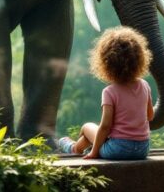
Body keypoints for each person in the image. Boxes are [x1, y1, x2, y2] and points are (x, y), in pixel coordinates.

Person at [59, 26, 154, 160]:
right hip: (142, 149)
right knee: (96, 133)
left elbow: (105, 126)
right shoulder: (145, 85)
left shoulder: (110, 92)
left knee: (88, 127)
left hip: (117, 150)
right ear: (140, 59)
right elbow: (150, 116)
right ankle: (77, 147)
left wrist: (94, 153)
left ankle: (75, 148)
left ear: (106, 63)